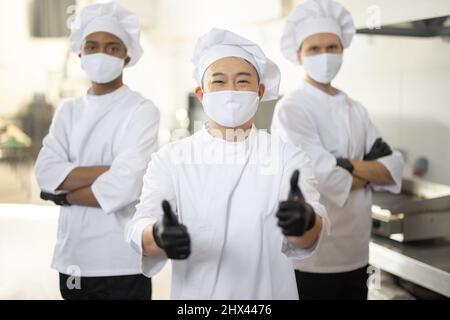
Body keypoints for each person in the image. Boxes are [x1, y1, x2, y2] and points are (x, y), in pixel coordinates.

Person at [125, 28, 329, 299]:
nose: (231, 91)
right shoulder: (171, 159)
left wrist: (305, 222)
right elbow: (140, 226)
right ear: (201, 94)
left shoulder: (287, 157)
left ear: (259, 91)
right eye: (219, 82)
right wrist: (159, 236)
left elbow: (309, 235)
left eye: (242, 81)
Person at [271, 0, 405, 300]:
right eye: (315, 49)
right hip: (311, 256)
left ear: (343, 50)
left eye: (332, 47)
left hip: (356, 251)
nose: (325, 56)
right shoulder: (291, 109)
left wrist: (343, 164)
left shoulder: (355, 109)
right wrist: (368, 170)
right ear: (298, 55)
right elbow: (319, 178)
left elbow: (393, 165)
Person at [35, 2, 160, 300]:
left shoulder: (141, 110)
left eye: (112, 47)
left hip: (122, 260)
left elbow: (126, 185)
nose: (101, 54)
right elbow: (44, 172)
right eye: (92, 46)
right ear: (80, 53)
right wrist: (106, 171)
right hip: (74, 257)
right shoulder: (68, 111)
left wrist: (64, 195)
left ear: (127, 56)